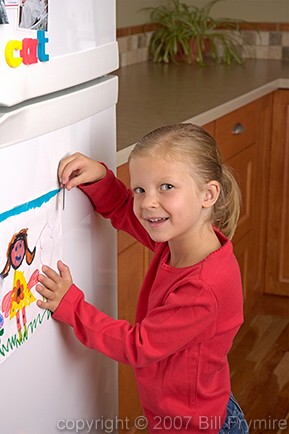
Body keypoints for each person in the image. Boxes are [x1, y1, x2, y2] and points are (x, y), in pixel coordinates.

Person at [36, 123, 249, 434]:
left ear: (208, 194)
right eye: (141, 189)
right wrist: (100, 177)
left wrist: (73, 306)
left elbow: (137, 346)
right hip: (191, 411)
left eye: (166, 187)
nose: (148, 202)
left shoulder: (202, 287)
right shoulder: (182, 239)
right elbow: (125, 210)